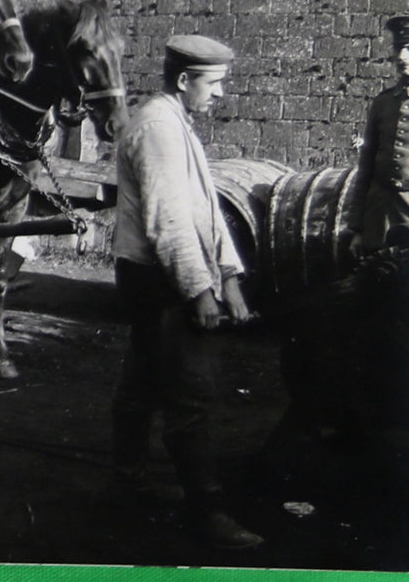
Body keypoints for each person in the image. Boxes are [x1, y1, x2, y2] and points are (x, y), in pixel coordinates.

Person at [112, 35, 263, 551]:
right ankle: (207, 512)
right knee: (190, 393)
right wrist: (201, 292)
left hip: (161, 274)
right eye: (214, 84)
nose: (219, 95)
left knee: (143, 379)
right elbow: (170, 221)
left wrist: (230, 277)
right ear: (184, 80)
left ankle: (127, 482)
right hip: (158, 278)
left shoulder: (175, 123)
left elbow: (205, 207)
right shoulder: (157, 128)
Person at [347, 14, 409, 255]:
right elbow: (365, 169)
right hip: (379, 219)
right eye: (398, 48)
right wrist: (357, 228)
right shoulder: (383, 102)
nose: (402, 56)